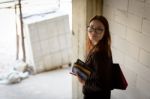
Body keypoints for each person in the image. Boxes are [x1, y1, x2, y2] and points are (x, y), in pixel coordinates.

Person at [77, 15, 113, 99]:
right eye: (91, 28)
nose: (93, 32)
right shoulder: (101, 47)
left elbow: (101, 84)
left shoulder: (99, 54)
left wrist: (84, 82)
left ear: (105, 32)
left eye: (99, 29)